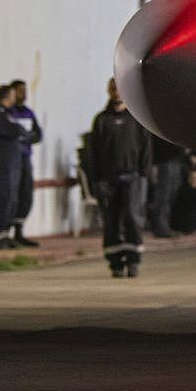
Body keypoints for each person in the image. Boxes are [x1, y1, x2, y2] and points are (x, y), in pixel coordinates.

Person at [86, 79, 153, 278]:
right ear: (109, 91)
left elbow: (146, 149)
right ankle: (115, 261)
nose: (116, 93)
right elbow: (93, 152)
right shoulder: (101, 120)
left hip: (133, 176)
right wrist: (96, 179)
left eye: (119, 89)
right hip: (108, 179)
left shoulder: (137, 119)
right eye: (113, 89)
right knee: (111, 220)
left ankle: (133, 259)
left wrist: (144, 174)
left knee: (132, 216)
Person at [0, 84, 23, 250]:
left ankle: (4, 233)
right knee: (3, 196)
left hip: (13, 160)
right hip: (4, 160)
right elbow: (13, 130)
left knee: (11, 197)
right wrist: (19, 130)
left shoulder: (9, 114)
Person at [7, 79, 42, 247]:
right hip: (12, 159)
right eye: (20, 91)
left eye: (25, 90)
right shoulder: (8, 112)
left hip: (26, 157)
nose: (24, 94)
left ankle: (19, 230)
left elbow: (38, 134)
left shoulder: (28, 113)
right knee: (11, 194)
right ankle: (6, 231)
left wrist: (26, 137)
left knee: (26, 193)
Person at [146, 133, 184, 238]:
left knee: (171, 195)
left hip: (174, 158)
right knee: (162, 196)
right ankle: (161, 228)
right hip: (162, 160)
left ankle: (166, 226)